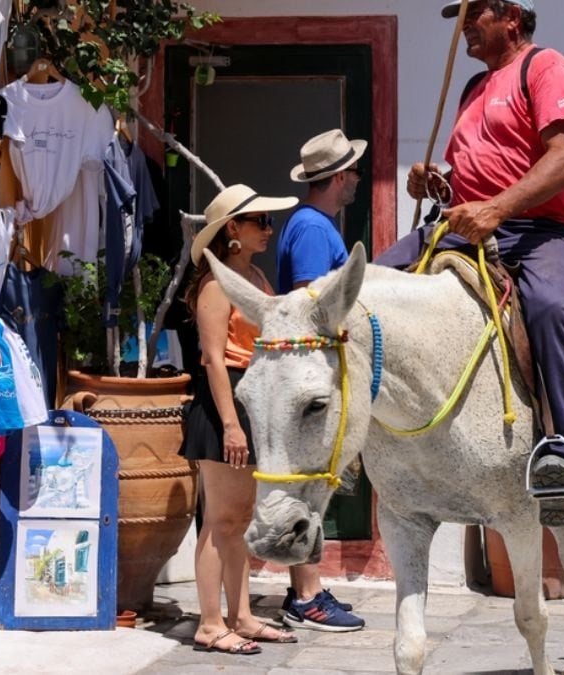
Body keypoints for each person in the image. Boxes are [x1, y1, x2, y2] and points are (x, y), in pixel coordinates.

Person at [375, 0, 564, 523]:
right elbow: (482, 172)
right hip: (464, 226)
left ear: (512, 17)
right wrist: (440, 183)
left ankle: (562, 448)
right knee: (372, 285)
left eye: (476, 14)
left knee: (548, 308)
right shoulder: (473, 88)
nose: (465, 26)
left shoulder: (545, 67)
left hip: (541, 231)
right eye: (461, 16)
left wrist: (496, 209)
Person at [180, 184, 299, 654]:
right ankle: (210, 623)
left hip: (253, 403)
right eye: (260, 222)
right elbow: (213, 359)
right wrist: (231, 424)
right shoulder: (215, 284)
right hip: (225, 407)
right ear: (233, 228)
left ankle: (241, 615)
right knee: (221, 520)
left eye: (269, 222)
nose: (269, 230)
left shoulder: (255, 277)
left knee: (241, 519)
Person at [273, 129, 368, 632]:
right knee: (306, 486)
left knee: (313, 484)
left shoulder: (314, 224)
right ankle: (305, 597)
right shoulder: (312, 229)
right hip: (312, 374)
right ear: (335, 177)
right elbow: (311, 301)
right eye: (351, 170)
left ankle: (306, 588)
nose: (357, 177)